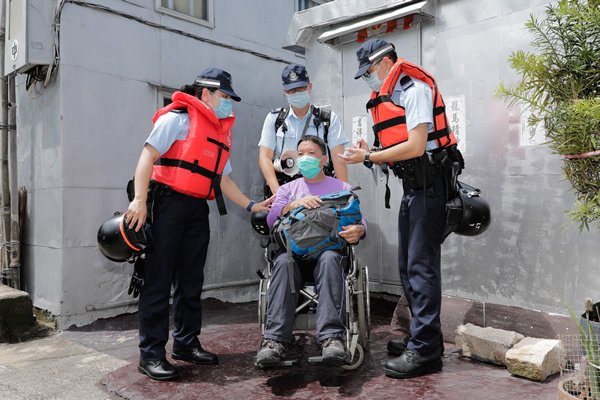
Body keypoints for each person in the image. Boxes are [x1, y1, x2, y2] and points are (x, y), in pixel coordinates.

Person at [125, 68, 272, 381]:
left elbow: (223, 180)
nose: (228, 103)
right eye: (225, 96)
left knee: (191, 281)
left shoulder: (219, 133)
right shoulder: (177, 119)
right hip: (166, 204)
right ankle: (150, 354)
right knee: (158, 281)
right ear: (206, 93)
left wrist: (251, 205)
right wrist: (139, 200)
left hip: (196, 209)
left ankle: (186, 343)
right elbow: (146, 156)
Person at [339, 38, 462, 379]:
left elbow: (417, 145)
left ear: (384, 62)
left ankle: (425, 352)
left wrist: (368, 155)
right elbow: (396, 148)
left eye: (368, 71)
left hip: (430, 187)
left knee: (422, 268)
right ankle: (423, 338)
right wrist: (371, 151)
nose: (368, 78)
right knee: (408, 267)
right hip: (413, 189)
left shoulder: (413, 89)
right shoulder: (391, 95)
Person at [255, 136, 366, 367]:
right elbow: (271, 220)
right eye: (301, 154)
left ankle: (332, 339)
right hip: (293, 256)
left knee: (330, 259)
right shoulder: (287, 189)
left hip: (329, 254)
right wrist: (292, 205)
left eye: (311, 153)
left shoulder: (342, 188)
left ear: (324, 160)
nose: (305, 158)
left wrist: (360, 229)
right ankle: (274, 341)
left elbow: (359, 220)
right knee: (283, 262)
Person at [258, 64, 350, 197]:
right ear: (284, 92)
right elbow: (265, 157)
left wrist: (343, 196)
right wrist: (278, 194)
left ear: (310, 87)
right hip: (285, 187)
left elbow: (338, 159)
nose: (296, 93)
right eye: (291, 90)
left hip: (320, 189)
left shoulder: (327, 119)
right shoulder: (275, 119)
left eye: (301, 88)